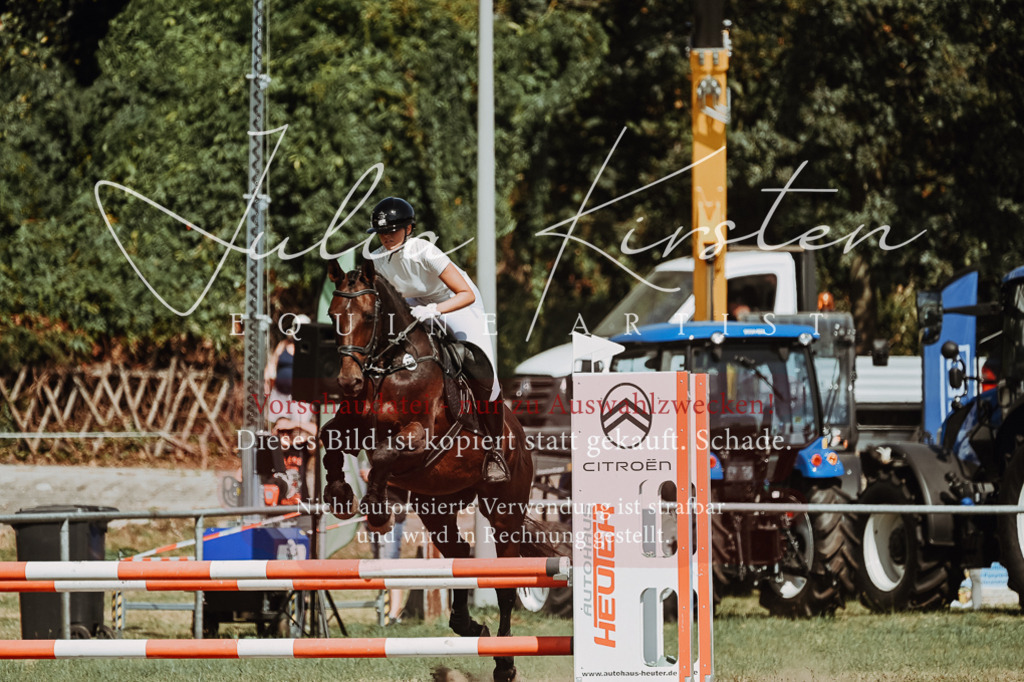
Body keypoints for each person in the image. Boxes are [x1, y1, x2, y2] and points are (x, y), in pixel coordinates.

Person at [365, 196, 510, 483]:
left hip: (454, 302)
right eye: (382, 233)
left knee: (482, 371)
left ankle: (495, 450)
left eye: (393, 231)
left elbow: (465, 293)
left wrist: (434, 310)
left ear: (408, 229)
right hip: (413, 306)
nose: (387, 237)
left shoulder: (425, 251)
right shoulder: (378, 260)